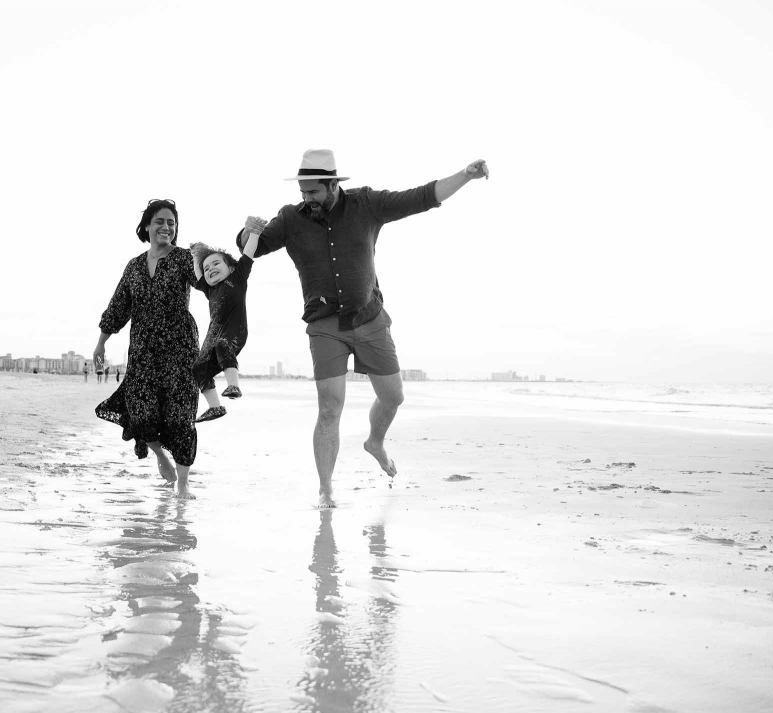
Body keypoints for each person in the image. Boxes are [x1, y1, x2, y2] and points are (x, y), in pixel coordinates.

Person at [240, 149, 489, 508]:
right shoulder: (291, 219)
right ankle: (326, 488)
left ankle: (375, 442)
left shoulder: (366, 204)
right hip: (324, 324)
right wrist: (246, 231)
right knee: (330, 407)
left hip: (369, 318)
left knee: (393, 397)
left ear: (332, 185)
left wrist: (465, 175)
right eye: (302, 192)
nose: (306, 199)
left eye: (313, 192)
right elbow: (253, 248)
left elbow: (421, 197)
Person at [94, 199, 200, 498]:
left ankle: (183, 482)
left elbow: (208, 281)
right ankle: (161, 456)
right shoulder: (135, 266)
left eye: (171, 223)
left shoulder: (183, 259)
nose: (166, 227)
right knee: (141, 412)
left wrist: (217, 263)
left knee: (180, 416)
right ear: (147, 227)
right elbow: (118, 306)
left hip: (180, 349)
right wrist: (101, 342)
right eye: (160, 221)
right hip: (143, 349)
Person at [189, 230, 261, 422]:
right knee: (198, 367)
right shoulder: (209, 289)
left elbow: (248, 254)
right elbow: (198, 273)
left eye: (216, 263)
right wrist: (197, 255)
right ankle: (215, 407)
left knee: (223, 344)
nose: (210, 268)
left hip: (235, 332)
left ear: (230, 268)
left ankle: (233, 385)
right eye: (207, 268)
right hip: (212, 335)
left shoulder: (237, 279)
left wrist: (254, 232)